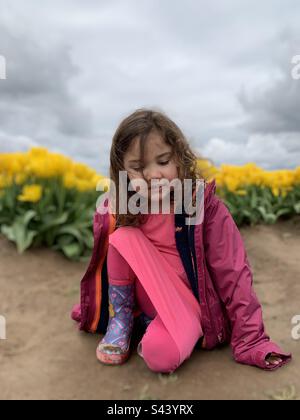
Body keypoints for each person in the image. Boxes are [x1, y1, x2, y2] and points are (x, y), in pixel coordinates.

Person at [71, 108, 292, 373]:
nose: (153, 176)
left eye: (163, 162)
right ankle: (122, 319)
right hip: (145, 301)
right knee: (121, 236)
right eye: (139, 168)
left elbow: (234, 274)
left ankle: (160, 329)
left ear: (180, 158)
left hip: (187, 307)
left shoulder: (204, 210)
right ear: (123, 172)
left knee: (160, 357)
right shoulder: (125, 209)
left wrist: (251, 339)